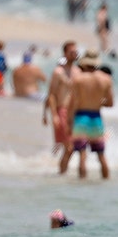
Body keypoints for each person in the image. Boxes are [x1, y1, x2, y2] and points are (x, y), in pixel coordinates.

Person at [67, 49, 114, 179]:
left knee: (82, 155)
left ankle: (82, 188)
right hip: (96, 117)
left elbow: (73, 103)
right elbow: (110, 103)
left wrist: (69, 121)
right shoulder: (106, 79)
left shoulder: (78, 79)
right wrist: (97, 102)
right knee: (101, 155)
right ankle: (106, 183)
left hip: (81, 117)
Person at [45, 40, 80, 170]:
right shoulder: (58, 72)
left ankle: (63, 174)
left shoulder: (78, 71)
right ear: (65, 53)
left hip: (76, 112)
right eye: (71, 52)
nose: (74, 54)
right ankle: (62, 174)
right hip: (63, 110)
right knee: (69, 147)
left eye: (76, 52)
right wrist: (54, 115)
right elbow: (51, 95)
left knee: (74, 147)